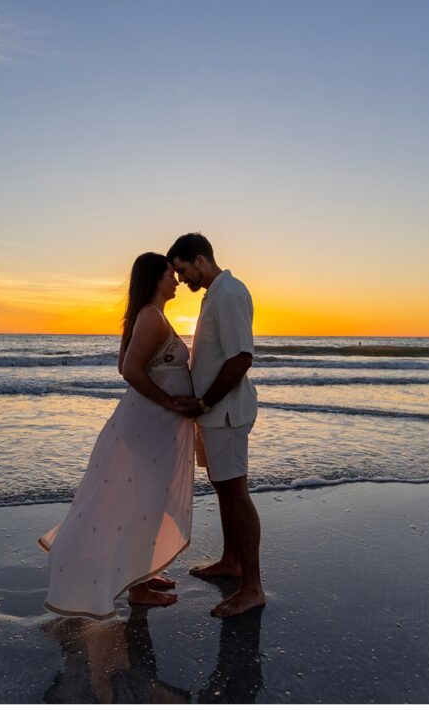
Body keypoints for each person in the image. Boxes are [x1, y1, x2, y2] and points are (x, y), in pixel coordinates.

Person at [39, 253, 195, 619]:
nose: (175, 280)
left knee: (147, 501)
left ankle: (141, 574)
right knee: (140, 501)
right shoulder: (151, 318)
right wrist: (170, 401)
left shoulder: (150, 316)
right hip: (147, 425)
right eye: (171, 274)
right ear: (156, 278)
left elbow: (126, 363)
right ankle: (138, 589)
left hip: (151, 426)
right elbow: (129, 370)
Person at [167, 232, 265, 617]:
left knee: (236, 493)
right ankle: (231, 561)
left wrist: (206, 400)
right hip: (213, 414)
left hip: (225, 413)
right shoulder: (214, 294)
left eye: (183, 270)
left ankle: (253, 586)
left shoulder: (230, 294)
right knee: (223, 490)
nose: (181, 280)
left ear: (200, 260)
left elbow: (242, 358)